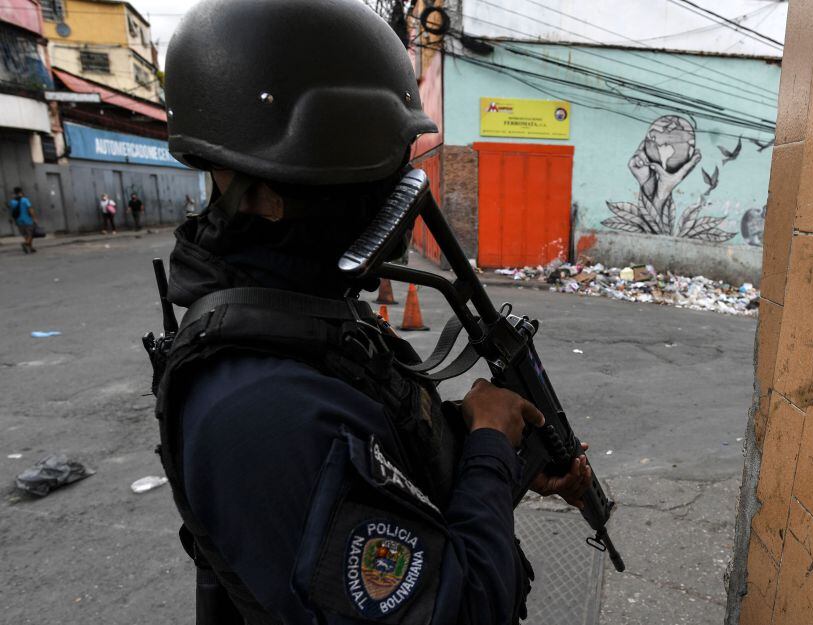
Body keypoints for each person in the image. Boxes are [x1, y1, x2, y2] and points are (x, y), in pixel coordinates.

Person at [150, 1, 591, 624]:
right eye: (377, 165)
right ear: (269, 192)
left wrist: (490, 456)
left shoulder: (306, 316)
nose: (400, 187)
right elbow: (463, 610)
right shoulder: (264, 409)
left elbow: (382, 456)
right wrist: (490, 446)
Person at [8, 187, 36, 254]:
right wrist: (34, 218)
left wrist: (11, 219)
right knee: (30, 234)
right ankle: (26, 243)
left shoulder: (12, 202)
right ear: (21, 192)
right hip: (27, 220)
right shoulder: (25, 200)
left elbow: (11, 212)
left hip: (18, 221)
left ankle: (30, 248)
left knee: (25, 235)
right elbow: (30, 209)